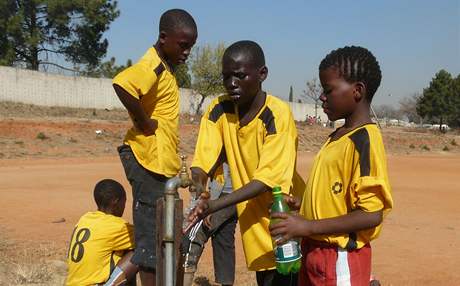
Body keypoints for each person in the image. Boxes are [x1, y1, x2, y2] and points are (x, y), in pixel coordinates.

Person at [269, 46, 394, 285]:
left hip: (339, 258)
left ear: (357, 91)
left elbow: (371, 214)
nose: (322, 97)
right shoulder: (337, 136)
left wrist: (307, 226)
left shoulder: (364, 139)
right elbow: (335, 194)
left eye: (328, 90)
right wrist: (302, 204)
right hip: (315, 251)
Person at [187, 40, 304, 286]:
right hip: (253, 218)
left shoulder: (277, 115)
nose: (232, 84)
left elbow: (267, 181)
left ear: (262, 74)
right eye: (226, 77)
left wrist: (216, 205)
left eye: (240, 76)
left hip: (284, 216)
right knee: (266, 278)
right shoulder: (220, 109)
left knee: (287, 276)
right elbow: (202, 163)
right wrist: (200, 193)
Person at [112, 9, 197, 286]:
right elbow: (123, 84)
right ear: (164, 38)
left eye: (190, 47)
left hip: (158, 163)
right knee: (151, 239)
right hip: (146, 161)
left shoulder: (167, 71)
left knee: (166, 232)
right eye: (183, 46)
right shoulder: (154, 65)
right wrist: (142, 121)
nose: (186, 52)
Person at [66, 179, 137, 286]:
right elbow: (147, 237)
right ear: (116, 202)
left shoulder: (85, 218)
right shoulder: (118, 226)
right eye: (124, 201)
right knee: (140, 251)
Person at [181, 163, 237, 286]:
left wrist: (211, 204)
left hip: (223, 193)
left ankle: (183, 280)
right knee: (223, 239)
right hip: (239, 193)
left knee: (193, 237)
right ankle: (226, 282)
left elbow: (214, 165)